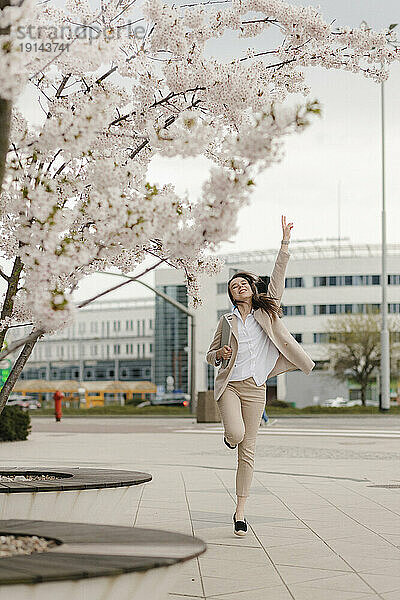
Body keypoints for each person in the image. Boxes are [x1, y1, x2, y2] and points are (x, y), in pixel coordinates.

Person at [205, 215, 315, 536]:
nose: (238, 287)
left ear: (253, 290)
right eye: (233, 286)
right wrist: (220, 355)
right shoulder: (226, 322)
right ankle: (228, 436)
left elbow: (278, 277)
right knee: (236, 436)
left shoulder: (266, 314)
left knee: (248, 450)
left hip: (255, 389)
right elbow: (210, 355)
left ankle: (240, 510)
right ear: (231, 296)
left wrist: (284, 244)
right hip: (230, 387)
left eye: (243, 284)